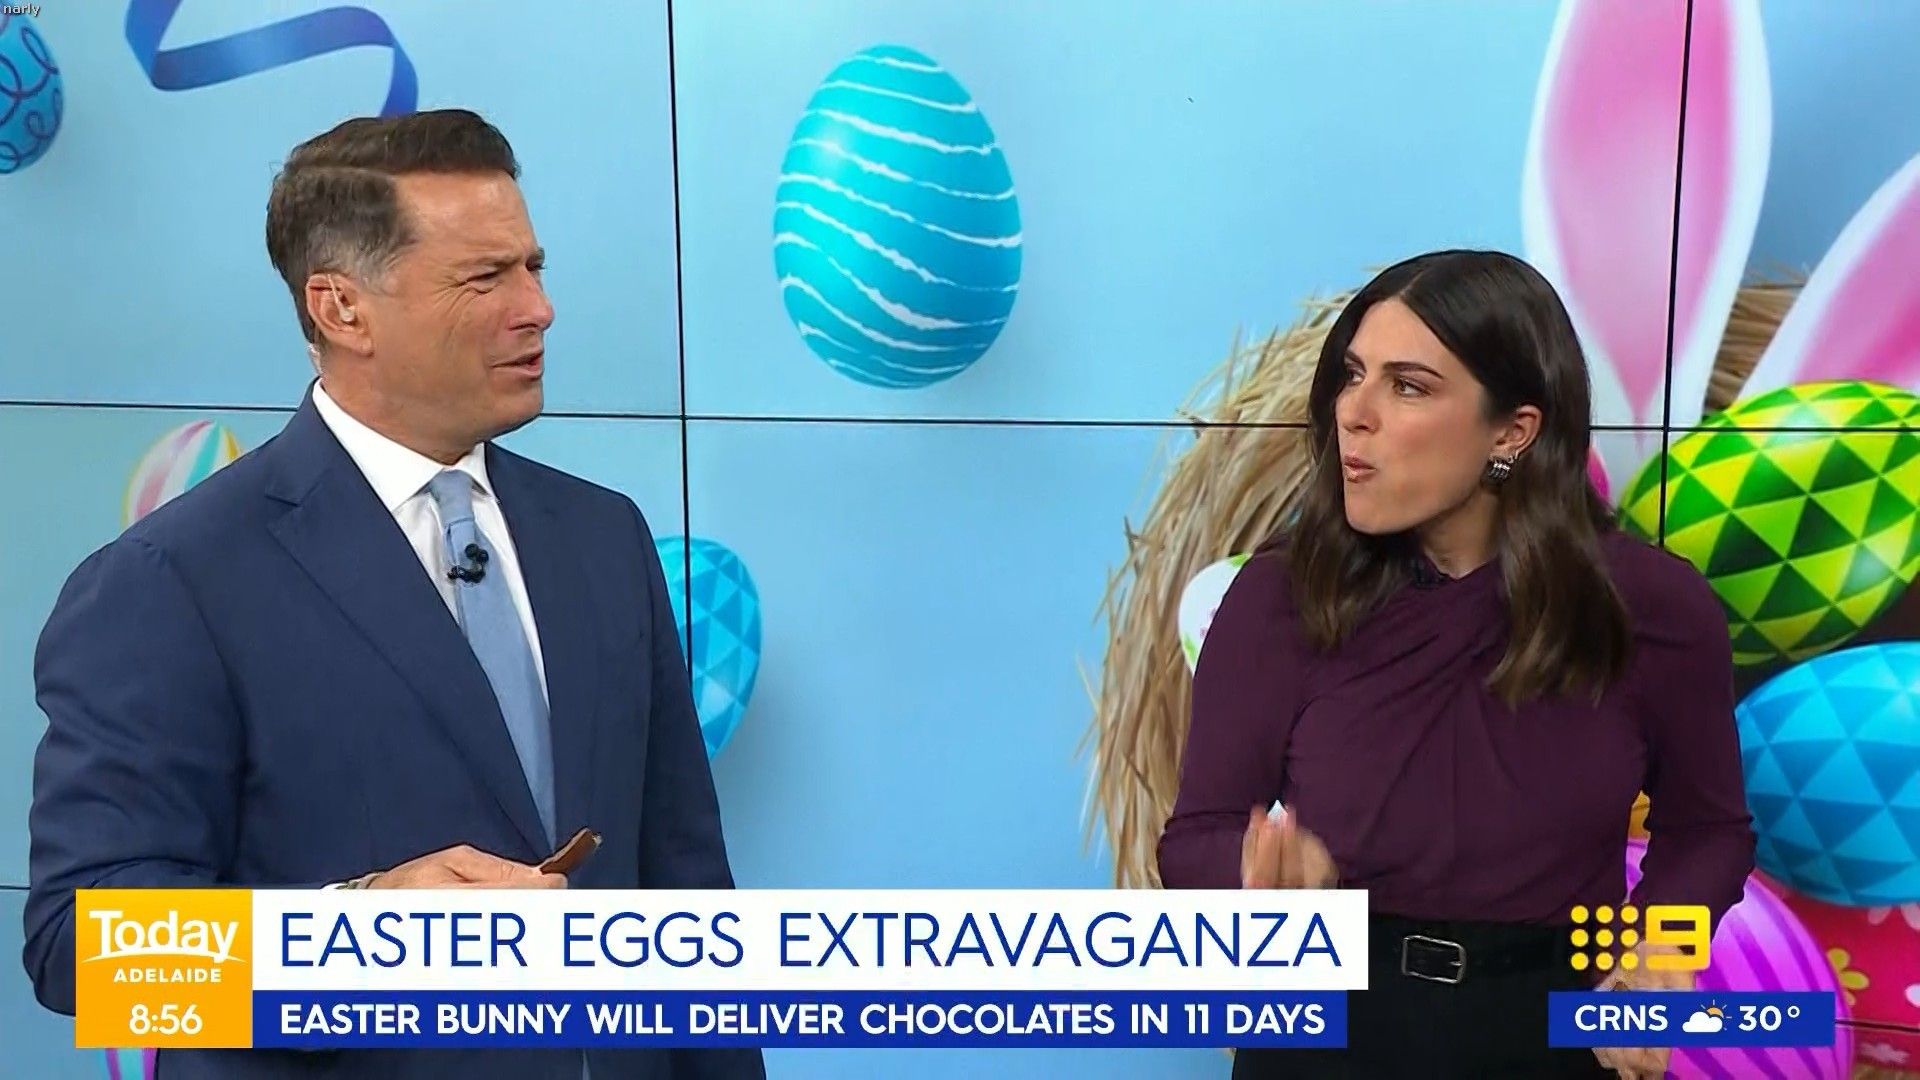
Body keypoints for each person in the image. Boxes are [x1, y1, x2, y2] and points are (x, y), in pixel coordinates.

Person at [23, 110, 764, 1080]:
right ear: (342, 309)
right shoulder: (173, 582)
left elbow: (687, 900)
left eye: (533, 267)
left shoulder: (603, 538)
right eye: (485, 278)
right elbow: (85, 951)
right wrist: (359, 933)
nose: (539, 309)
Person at [1157, 250, 1754, 1079]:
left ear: (1513, 432)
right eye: (1352, 376)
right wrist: (1257, 879)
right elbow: (1195, 838)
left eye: (1408, 386)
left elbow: (1708, 830)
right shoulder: (1278, 596)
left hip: (1553, 1035)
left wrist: (1658, 951)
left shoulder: (1651, 608)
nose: (1354, 412)